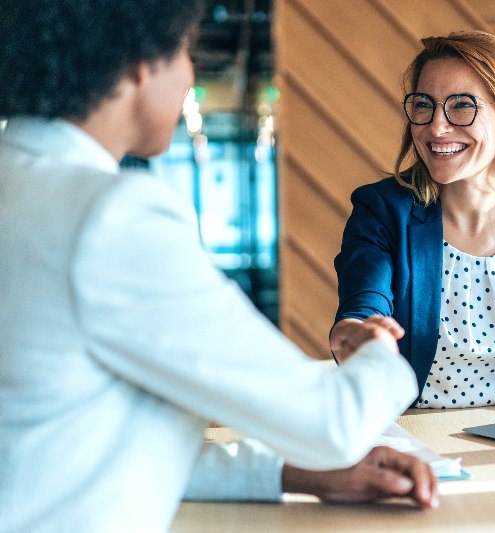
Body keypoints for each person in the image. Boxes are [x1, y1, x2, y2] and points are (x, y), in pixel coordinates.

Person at [0, 1, 437, 531]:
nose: (189, 76)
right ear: (140, 62)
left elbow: (59, 449)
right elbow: (333, 423)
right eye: (186, 51)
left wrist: (293, 474)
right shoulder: (110, 216)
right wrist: (381, 354)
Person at [330, 31, 495, 408]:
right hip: (412, 439)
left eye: (462, 106)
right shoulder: (382, 210)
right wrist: (358, 336)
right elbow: (361, 309)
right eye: (424, 105)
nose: (436, 127)